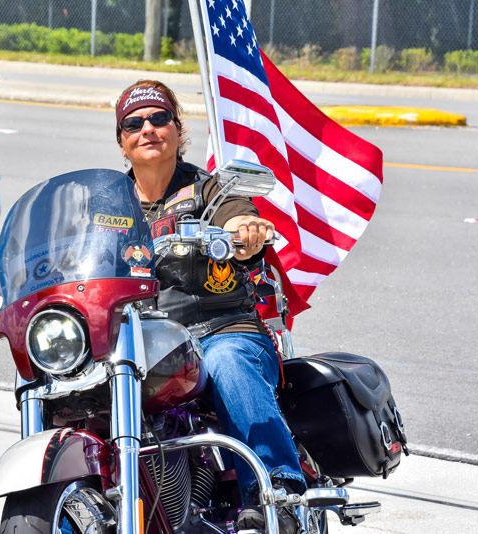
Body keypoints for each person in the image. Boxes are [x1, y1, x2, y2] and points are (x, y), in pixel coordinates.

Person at [115, 80, 305, 534]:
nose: (148, 129)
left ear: (179, 131)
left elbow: (237, 215)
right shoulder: (107, 204)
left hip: (221, 330)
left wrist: (246, 232)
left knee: (227, 363)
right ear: (121, 142)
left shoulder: (210, 190)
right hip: (142, 343)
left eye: (159, 118)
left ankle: (277, 492)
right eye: (134, 123)